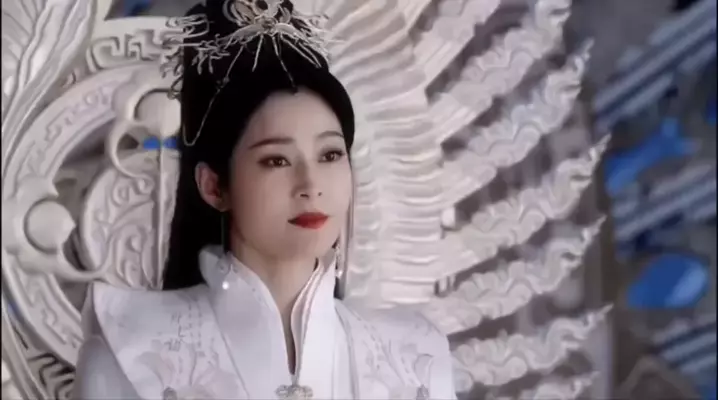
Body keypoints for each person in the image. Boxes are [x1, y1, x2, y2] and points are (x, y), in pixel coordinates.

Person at [73, 0, 457, 399]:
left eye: (329, 155)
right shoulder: (134, 352)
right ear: (214, 186)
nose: (310, 184)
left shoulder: (413, 357)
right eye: (276, 160)